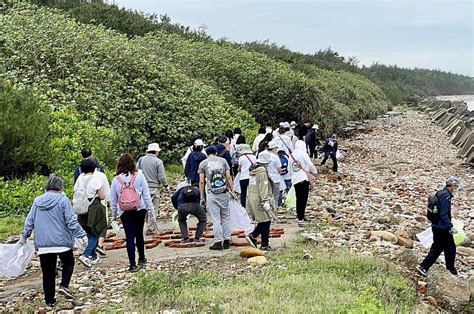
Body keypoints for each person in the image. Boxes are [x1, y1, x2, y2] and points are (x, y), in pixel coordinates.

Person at [19, 174, 87, 308]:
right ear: (60, 186)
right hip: (62, 243)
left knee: (48, 272)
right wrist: (82, 235)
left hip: (44, 245)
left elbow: (29, 221)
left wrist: (24, 236)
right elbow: (71, 221)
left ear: (47, 186)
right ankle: (64, 285)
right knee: (68, 261)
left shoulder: (37, 201)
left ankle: (50, 301)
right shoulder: (63, 200)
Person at [111, 153, 156, 272]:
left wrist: (114, 214)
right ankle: (142, 258)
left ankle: (132, 264)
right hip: (139, 209)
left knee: (129, 237)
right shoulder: (140, 176)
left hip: (124, 211)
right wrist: (151, 210)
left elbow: (113, 199)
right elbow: (146, 195)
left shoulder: (116, 180)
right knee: (139, 234)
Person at [416, 177, 462, 277]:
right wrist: (450, 226)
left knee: (441, 247)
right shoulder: (446, 196)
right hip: (443, 228)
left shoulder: (440, 193)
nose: (457, 189)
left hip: (436, 226)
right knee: (447, 248)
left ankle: (425, 266)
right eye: (457, 186)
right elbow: (443, 214)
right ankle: (449, 271)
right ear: (453, 186)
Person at [198, 146, 234, 250]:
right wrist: (232, 190)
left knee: (216, 218)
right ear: (216, 153)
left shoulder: (203, 163)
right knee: (225, 217)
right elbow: (228, 177)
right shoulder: (223, 161)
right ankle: (227, 240)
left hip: (212, 193)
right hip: (224, 192)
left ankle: (218, 242)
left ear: (207, 153)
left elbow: (201, 181)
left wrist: (202, 196)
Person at [75, 158, 107, 268]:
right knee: (97, 231)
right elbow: (102, 196)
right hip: (94, 207)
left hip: (81, 208)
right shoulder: (96, 179)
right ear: (94, 168)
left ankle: (94, 256)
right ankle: (86, 254)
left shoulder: (79, 178)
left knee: (89, 232)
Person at [245, 151, 277, 252]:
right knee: (266, 221)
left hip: (252, 197)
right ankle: (264, 244)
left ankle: (253, 236)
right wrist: (265, 200)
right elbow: (263, 186)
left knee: (263, 221)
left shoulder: (253, 170)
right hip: (260, 199)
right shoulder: (262, 171)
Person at [289, 140, 318, 226]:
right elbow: (310, 165)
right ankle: (301, 217)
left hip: (294, 180)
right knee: (303, 199)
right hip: (303, 178)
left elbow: (289, 168)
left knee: (298, 198)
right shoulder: (303, 153)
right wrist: (315, 172)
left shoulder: (292, 155)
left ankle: (299, 216)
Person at [137, 143, 169, 215]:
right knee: (154, 208)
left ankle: (144, 225)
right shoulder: (158, 161)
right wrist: (166, 185)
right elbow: (161, 176)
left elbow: (136, 173)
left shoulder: (141, 160)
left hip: (142, 187)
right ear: (156, 151)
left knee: (144, 207)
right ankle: (151, 226)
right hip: (154, 187)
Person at [89, 157, 111, 257]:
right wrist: (110, 202)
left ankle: (92, 247)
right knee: (102, 224)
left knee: (91, 225)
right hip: (100, 202)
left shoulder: (83, 176)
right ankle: (100, 244)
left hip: (88, 204)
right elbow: (106, 190)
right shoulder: (101, 176)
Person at [266, 141, 282, 205]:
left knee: (267, 195)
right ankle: (274, 209)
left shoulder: (263, 155)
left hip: (266, 177)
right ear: (273, 148)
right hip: (275, 178)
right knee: (275, 196)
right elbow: (279, 169)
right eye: (276, 148)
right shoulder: (275, 157)